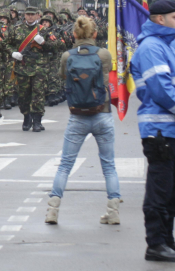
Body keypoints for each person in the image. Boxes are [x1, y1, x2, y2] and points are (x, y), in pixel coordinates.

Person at [131, 0, 175, 262]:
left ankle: (168, 241)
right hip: (158, 129)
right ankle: (156, 244)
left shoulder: (168, 44)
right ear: (160, 19)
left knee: (173, 189)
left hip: (173, 128)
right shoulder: (151, 47)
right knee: (159, 190)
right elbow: (160, 90)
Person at [45, 16, 121, 225]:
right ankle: (113, 211)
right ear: (95, 34)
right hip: (102, 113)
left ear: (74, 35)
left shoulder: (67, 56)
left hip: (77, 116)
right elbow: (108, 73)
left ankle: (53, 209)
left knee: (65, 165)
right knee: (109, 165)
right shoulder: (104, 55)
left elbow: (62, 76)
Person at [7, 6, 61, 132]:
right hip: (23, 67)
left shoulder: (44, 31)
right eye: (28, 14)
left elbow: (58, 45)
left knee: (38, 95)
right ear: (24, 15)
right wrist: (13, 53)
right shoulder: (17, 30)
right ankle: (26, 117)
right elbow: (6, 43)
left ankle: (37, 121)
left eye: (33, 14)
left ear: (37, 15)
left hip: (39, 68)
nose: (30, 16)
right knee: (23, 95)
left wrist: (44, 43)